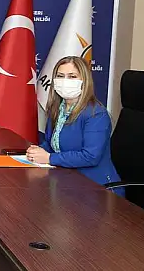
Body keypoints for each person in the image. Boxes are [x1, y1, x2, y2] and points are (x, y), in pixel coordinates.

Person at [27, 56, 122, 195]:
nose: (65, 81)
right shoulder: (57, 109)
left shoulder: (96, 114)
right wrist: (38, 151)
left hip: (96, 189)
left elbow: (90, 156)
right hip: (65, 181)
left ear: (84, 81)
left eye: (72, 76)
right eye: (60, 76)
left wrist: (49, 158)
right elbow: (52, 144)